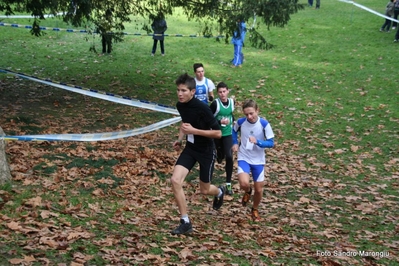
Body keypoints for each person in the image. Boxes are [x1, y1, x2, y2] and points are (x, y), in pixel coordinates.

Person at [170, 73, 225, 235]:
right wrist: (180, 139)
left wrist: (194, 131)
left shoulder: (202, 108)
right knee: (175, 180)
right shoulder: (180, 105)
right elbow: (185, 123)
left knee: (205, 190)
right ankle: (185, 221)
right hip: (191, 148)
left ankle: (219, 191)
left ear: (192, 92)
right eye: (178, 90)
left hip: (207, 151)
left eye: (184, 91)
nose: (180, 94)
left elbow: (218, 133)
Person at [232, 99, 275, 221]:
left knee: (259, 189)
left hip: (258, 160)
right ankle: (247, 191)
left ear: (257, 110)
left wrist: (259, 142)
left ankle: (255, 209)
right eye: (246, 114)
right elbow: (233, 131)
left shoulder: (264, 124)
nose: (249, 117)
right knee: (244, 183)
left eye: (251, 113)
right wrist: (234, 143)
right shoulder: (241, 122)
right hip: (244, 157)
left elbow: (271, 143)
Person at [210, 82, 235, 195]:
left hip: (227, 133)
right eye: (220, 92)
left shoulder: (231, 102)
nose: (222, 94)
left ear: (228, 91)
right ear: (217, 93)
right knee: (215, 155)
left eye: (224, 91)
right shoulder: (215, 104)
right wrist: (220, 121)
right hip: (216, 133)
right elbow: (208, 120)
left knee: (229, 157)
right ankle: (207, 181)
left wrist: (232, 122)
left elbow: (231, 114)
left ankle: (228, 183)